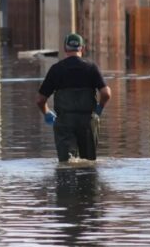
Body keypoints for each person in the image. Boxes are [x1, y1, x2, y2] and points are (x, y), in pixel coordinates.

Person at [36, 33, 111, 162]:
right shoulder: (91, 68)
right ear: (82, 48)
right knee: (88, 165)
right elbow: (106, 93)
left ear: (65, 49)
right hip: (88, 122)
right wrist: (99, 109)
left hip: (65, 122)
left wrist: (47, 113)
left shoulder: (56, 69)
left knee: (66, 164)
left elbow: (40, 100)